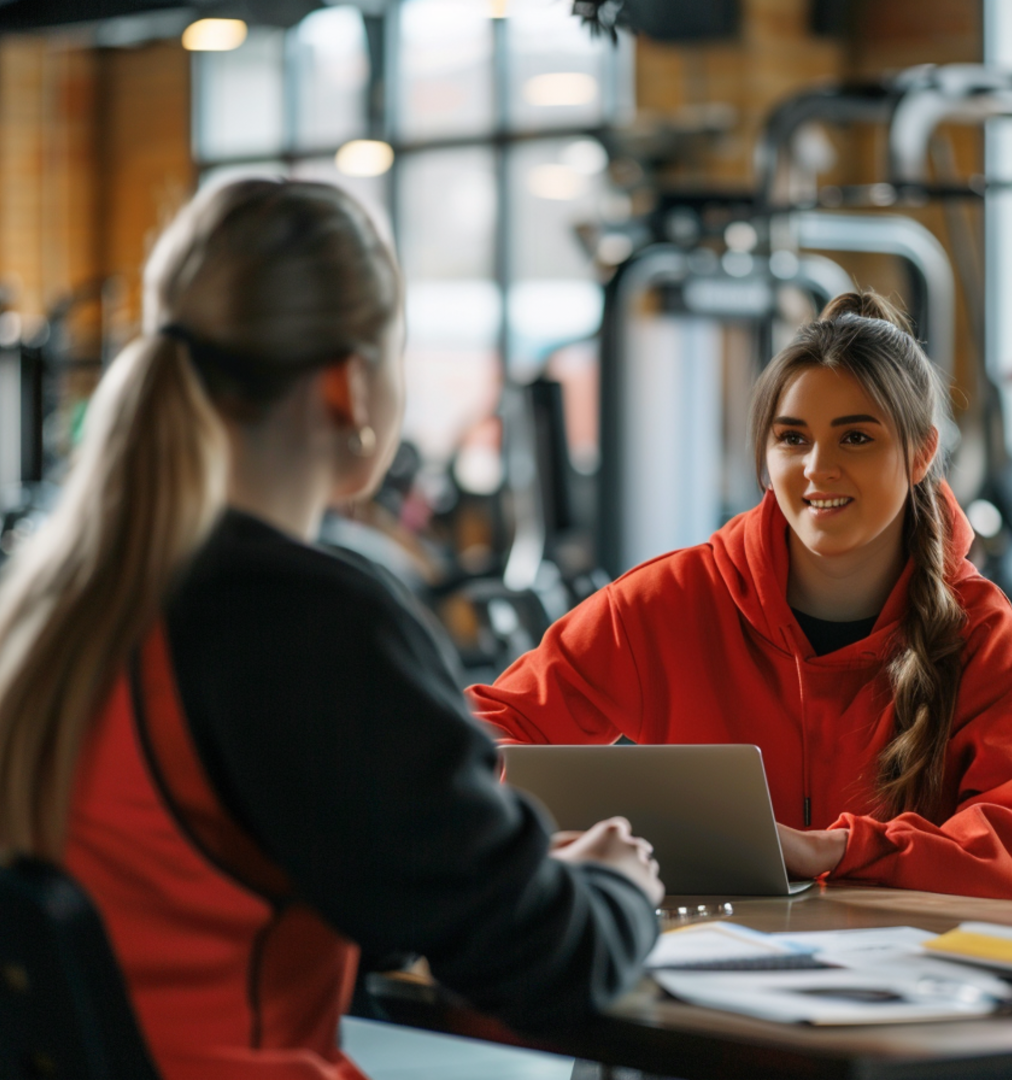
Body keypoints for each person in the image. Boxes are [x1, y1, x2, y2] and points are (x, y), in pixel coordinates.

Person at [0, 179, 663, 1080]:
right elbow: (547, 963)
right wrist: (617, 888)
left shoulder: (56, 600)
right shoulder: (304, 621)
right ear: (348, 383)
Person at [469, 291, 1012, 905]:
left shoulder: (977, 628)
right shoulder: (672, 601)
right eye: (793, 439)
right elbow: (481, 738)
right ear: (765, 457)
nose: (818, 468)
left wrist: (835, 850)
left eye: (856, 438)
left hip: (903, 985)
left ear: (920, 454)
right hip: (705, 971)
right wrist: (582, 838)